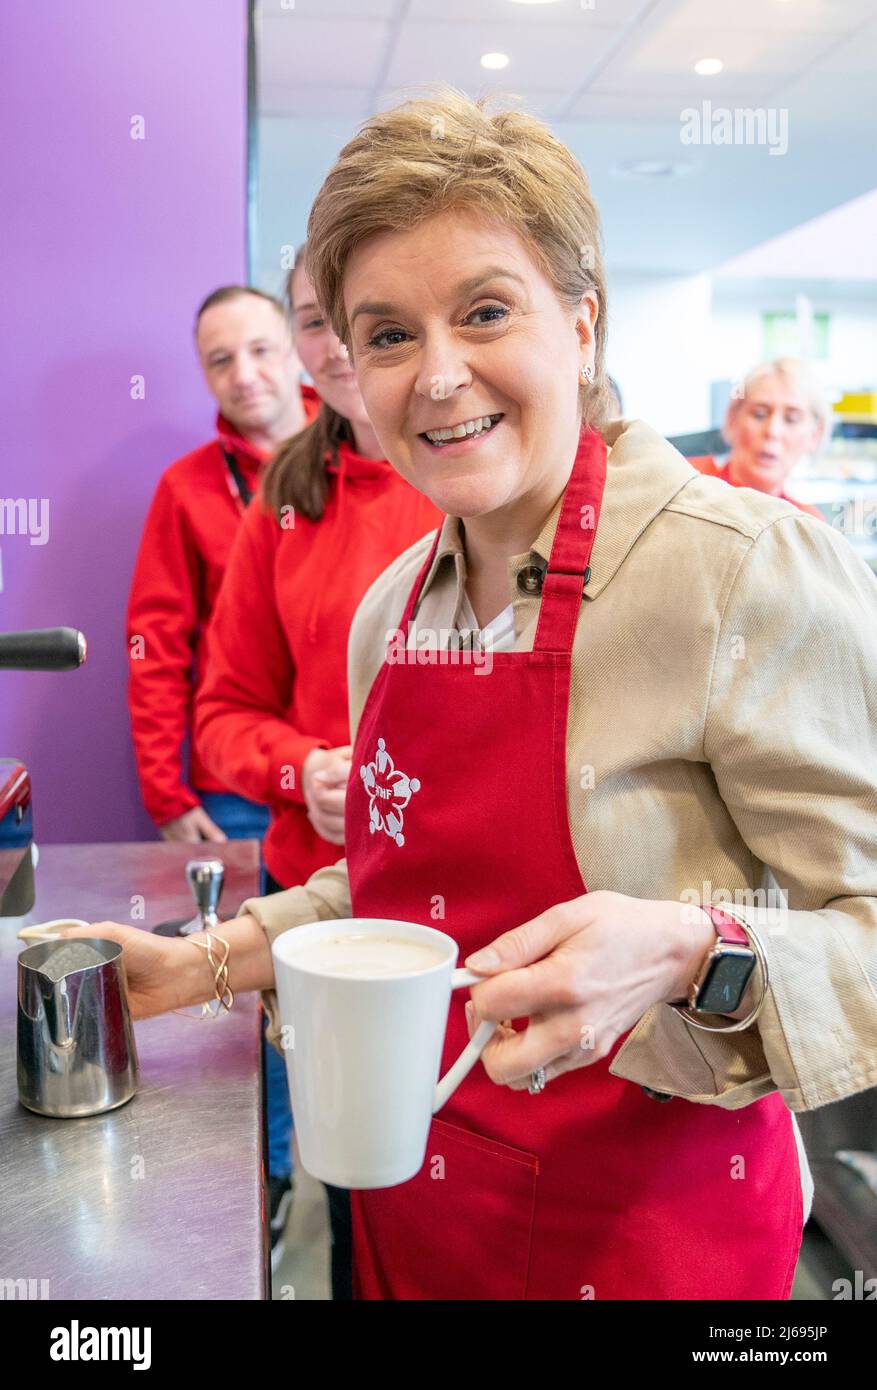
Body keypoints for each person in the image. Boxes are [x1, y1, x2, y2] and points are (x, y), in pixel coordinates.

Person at [65, 88, 877, 1300]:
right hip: (423, 1221)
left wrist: (693, 949)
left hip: (653, 1247)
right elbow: (400, 887)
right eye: (387, 335)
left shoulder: (740, 568)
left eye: (485, 311)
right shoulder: (397, 607)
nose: (437, 376)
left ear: (583, 323)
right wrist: (212, 962)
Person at [194, 251, 442, 1287]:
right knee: (359, 1208)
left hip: (476, 911)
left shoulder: (478, 473)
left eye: (365, 319)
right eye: (314, 319)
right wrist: (302, 770)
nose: (337, 343)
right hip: (324, 911)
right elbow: (220, 717)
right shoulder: (285, 501)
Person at [126, 286, 318, 844]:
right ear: (206, 376)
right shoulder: (185, 489)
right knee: (239, 934)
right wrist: (166, 796)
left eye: (261, 350)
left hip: (360, 768)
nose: (244, 374)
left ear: (293, 350)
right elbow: (154, 648)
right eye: (221, 360)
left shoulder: (371, 454)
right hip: (236, 791)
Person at [689, 358, 828, 519]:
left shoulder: (808, 525)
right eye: (759, 414)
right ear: (733, 418)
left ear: (815, 434)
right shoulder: (683, 481)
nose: (772, 431)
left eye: (791, 419)